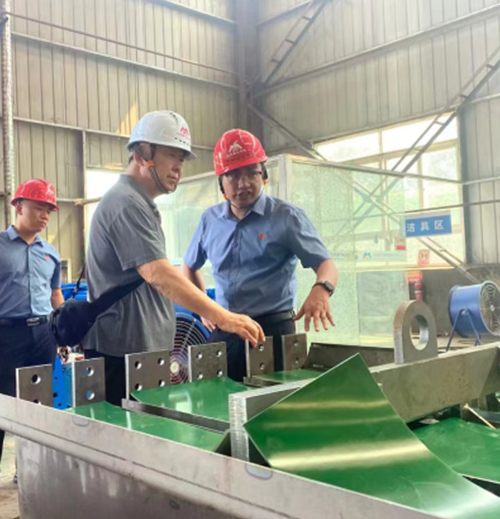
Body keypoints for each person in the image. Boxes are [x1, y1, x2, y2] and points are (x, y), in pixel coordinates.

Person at [83, 111, 264, 405]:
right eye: (171, 156)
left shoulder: (139, 203)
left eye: (182, 158)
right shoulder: (125, 203)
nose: (178, 167)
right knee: (128, 433)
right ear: (142, 155)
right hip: (122, 356)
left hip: (140, 353)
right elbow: (159, 274)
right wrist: (224, 317)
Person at [182, 129, 338, 381]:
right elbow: (189, 267)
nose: (243, 183)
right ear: (221, 183)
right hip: (226, 329)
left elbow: (326, 265)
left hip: (273, 331)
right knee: (214, 397)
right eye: (233, 175)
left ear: (264, 176)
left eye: (251, 172)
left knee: (276, 401)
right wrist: (205, 309)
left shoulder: (287, 217)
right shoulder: (209, 220)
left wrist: (322, 289)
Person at [0, 179, 63, 502]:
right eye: (39, 208)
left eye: (49, 210)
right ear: (19, 206)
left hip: (44, 335)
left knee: (38, 404)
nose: (45, 215)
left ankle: (29, 467)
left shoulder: (50, 253)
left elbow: (55, 295)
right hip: (7, 335)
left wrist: (64, 330)